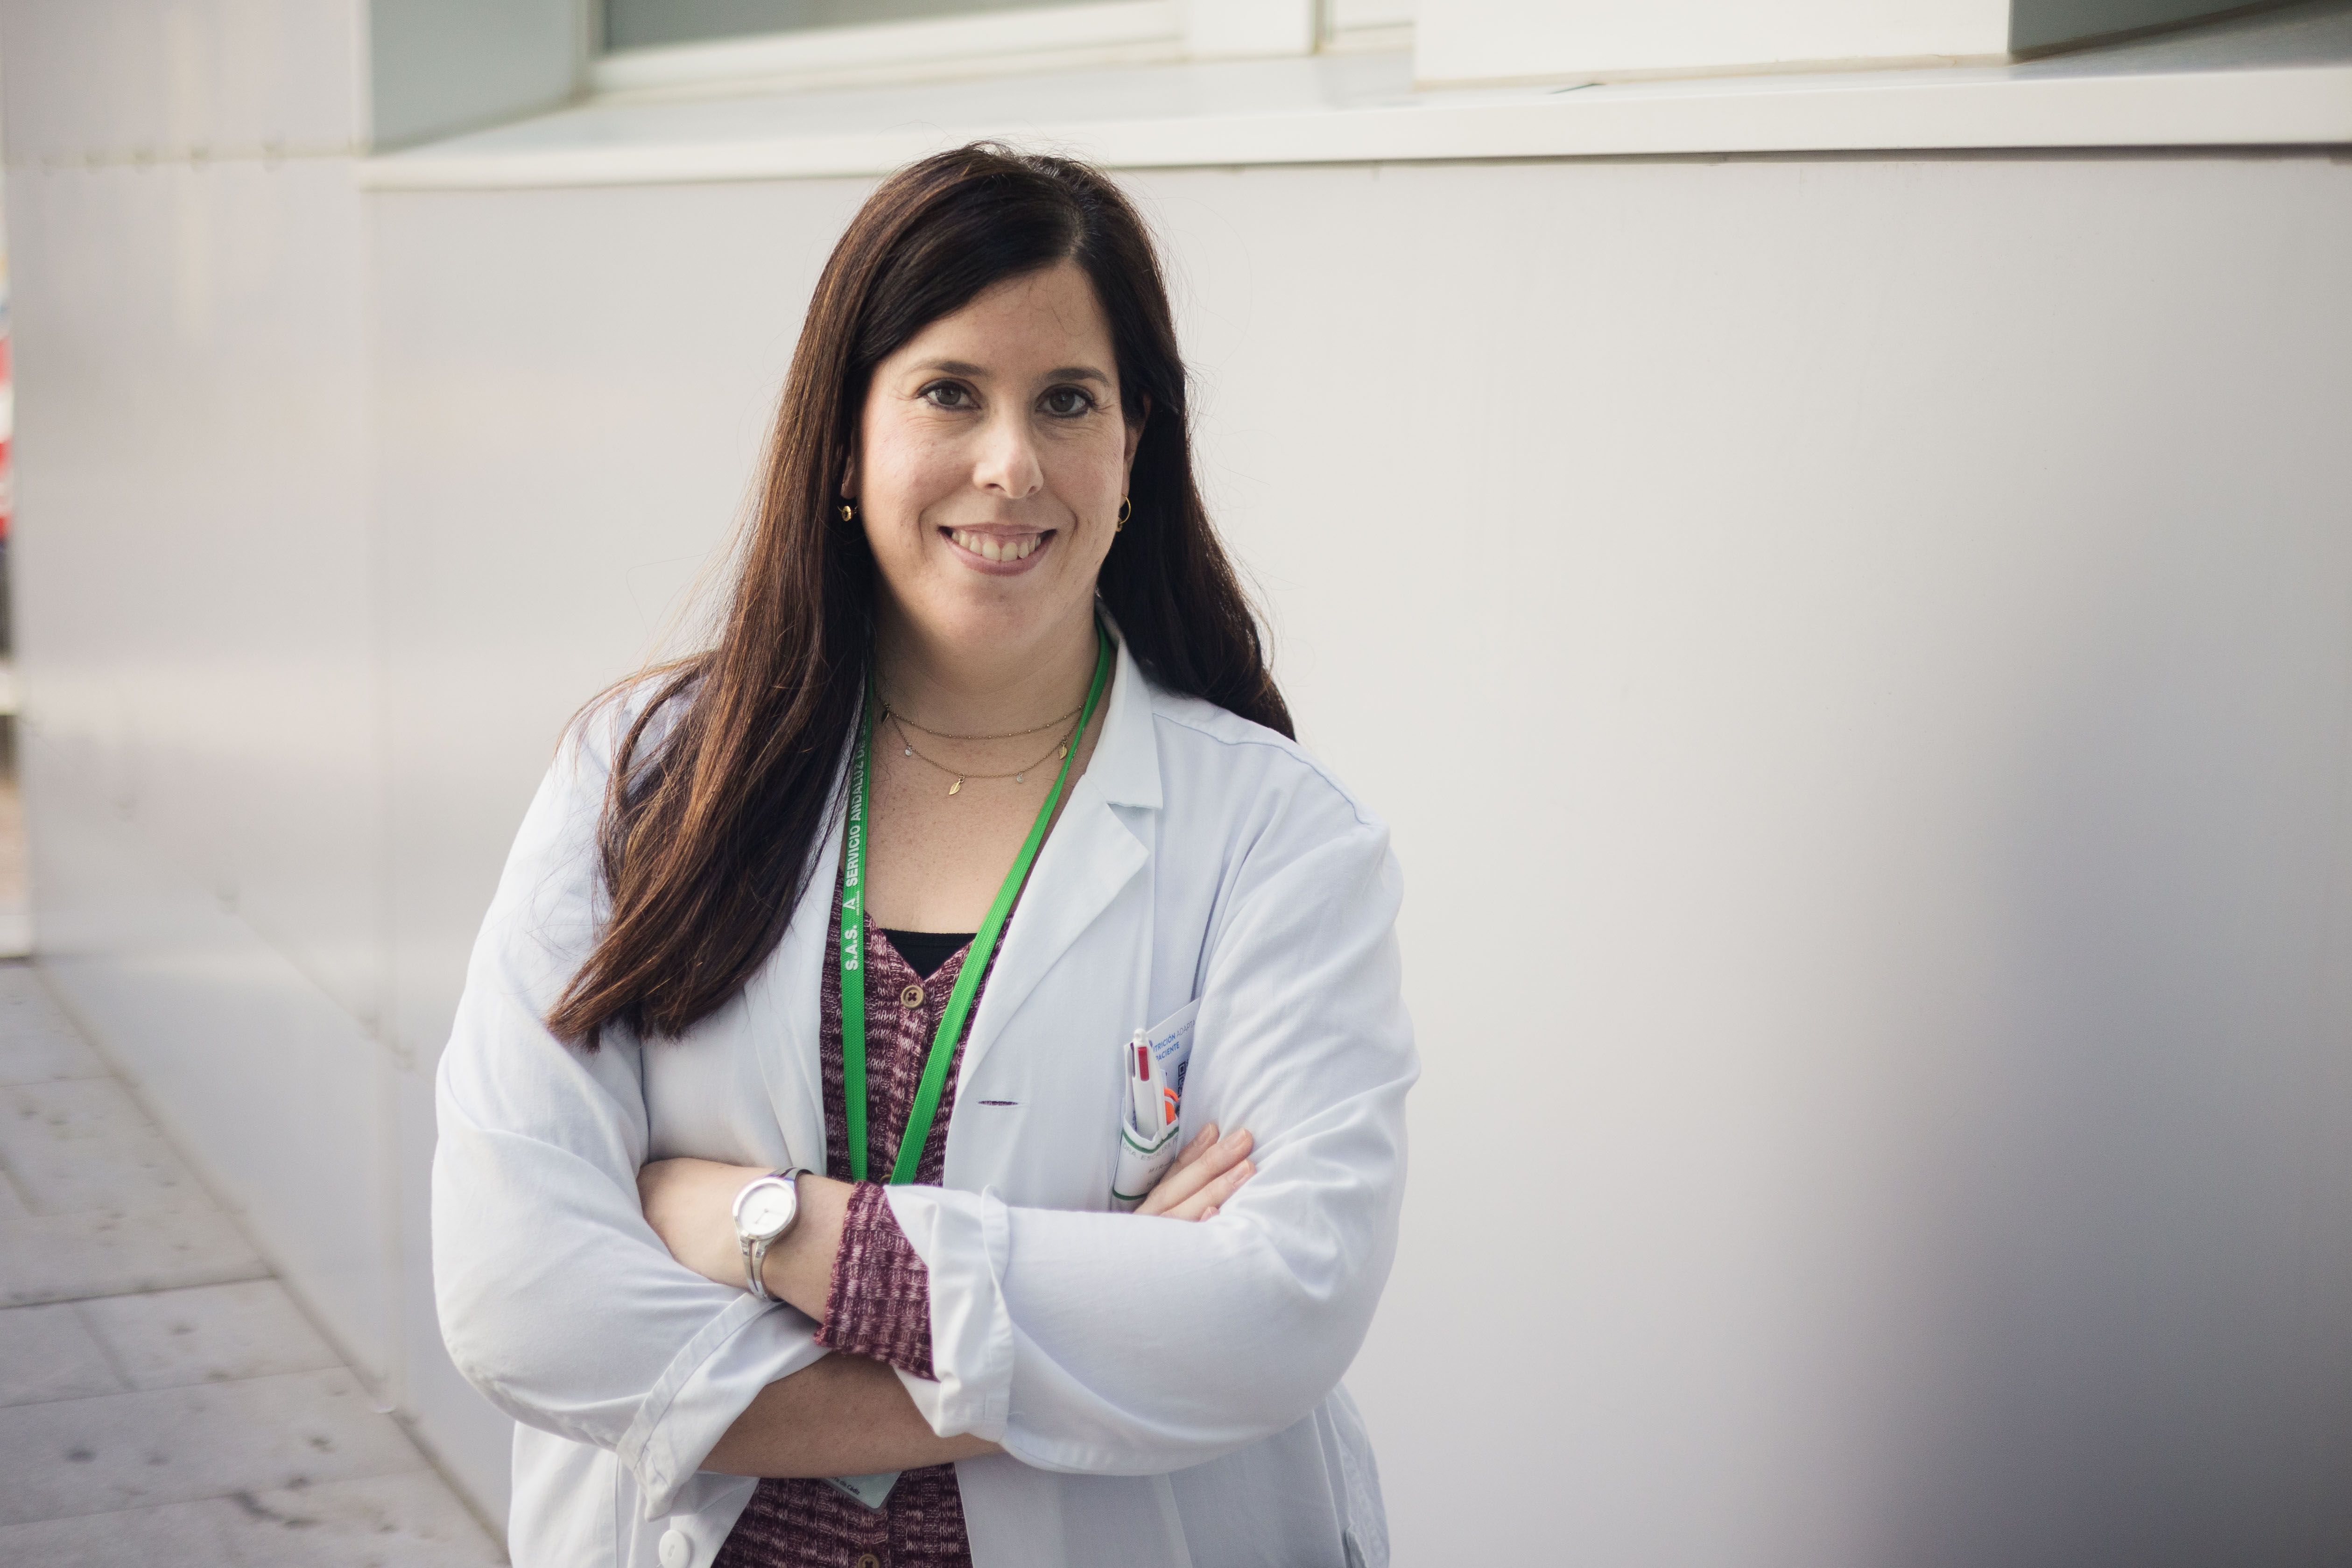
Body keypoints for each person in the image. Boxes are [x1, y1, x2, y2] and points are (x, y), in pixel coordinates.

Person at [431, 143, 1415, 1568]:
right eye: (950, 392)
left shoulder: (1279, 841)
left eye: (1067, 401)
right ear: (846, 439)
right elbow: (517, 1294)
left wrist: (765, 1228)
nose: (1010, 464)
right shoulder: (645, 779)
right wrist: (1097, 1342)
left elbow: (1280, 1314)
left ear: (1137, 446)